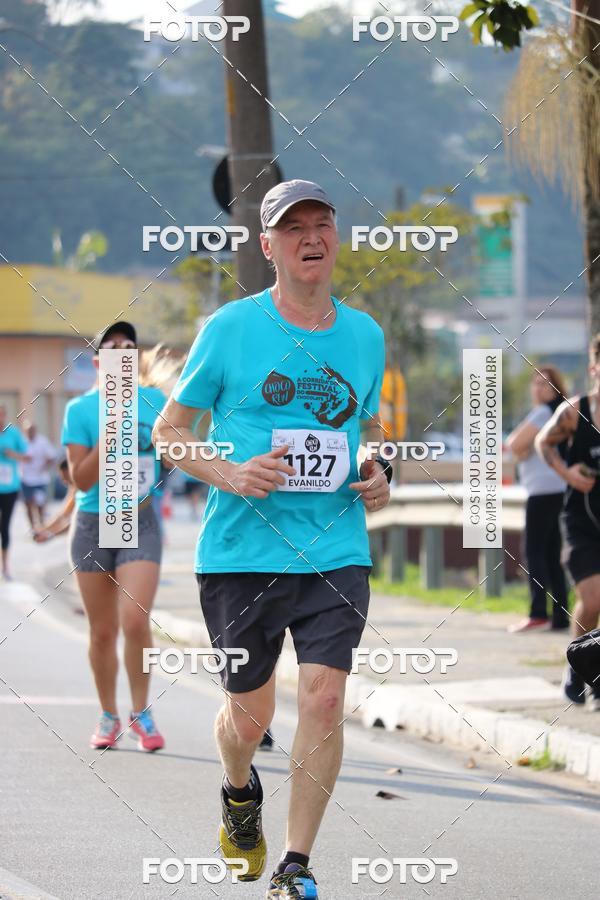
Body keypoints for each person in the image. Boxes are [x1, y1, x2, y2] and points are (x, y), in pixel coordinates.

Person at [154, 180, 391, 899]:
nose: (310, 236)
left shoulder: (365, 335)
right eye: (293, 228)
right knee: (250, 716)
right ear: (268, 247)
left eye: (322, 224)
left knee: (322, 699)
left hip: (334, 549)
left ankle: (296, 865)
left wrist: (380, 466)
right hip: (239, 555)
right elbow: (169, 434)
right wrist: (228, 472)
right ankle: (237, 788)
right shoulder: (230, 329)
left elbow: (369, 428)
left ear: (336, 239)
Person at [62, 322, 169, 751]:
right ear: (98, 362)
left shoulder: (157, 402)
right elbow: (81, 480)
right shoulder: (80, 411)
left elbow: (175, 459)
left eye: (130, 346)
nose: (122, 351)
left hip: (139, 519)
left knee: (135, 621)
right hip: (93, 523)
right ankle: (108, 715)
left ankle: (142, 712)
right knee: (103, 631)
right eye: (112, 347)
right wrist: (111, 433)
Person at [537, 335, 600, 708]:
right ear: (594, 368)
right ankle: (579, 667)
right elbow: (544, 443)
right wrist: (568, 474)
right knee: (592, 598)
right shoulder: (578, 410)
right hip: (581, 520)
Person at [507, 365, 570, 632]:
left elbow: (513, 445)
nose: (539, 388)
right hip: (558, 490)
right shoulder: (560, 412)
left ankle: (537, 612)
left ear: (556, 388)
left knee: (533, 552)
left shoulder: (543, 412)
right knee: (552, 554)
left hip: (543, 492)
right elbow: (519, 447)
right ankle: (560, 616)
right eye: (536, 383)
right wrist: (522, 449)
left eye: (546, 384)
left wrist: (522, 451)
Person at [0, 405, 29, 581]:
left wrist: (12, 455)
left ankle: (5, 567)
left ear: (5, 415)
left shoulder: (14, 433)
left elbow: (27, 456)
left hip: (9, 488)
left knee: (4, 527)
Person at [21, 421, 58, 530]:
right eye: (28, 430)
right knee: (28, 504)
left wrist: (44, 467)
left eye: (32, 430)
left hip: (40, 479)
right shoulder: (22, 442)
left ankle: (41, 525)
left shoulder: (43, 442)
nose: (30, 432)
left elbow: (51, 457)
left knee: (40, 504)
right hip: (25, 478)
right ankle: (32, 527)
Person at [33, 459, 76, 543]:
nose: (64, 482)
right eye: (62, 479)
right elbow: (64, 514)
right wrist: (44, 528)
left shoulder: (83, 488)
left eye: (66, 478)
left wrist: (50, 534)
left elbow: (75, 523)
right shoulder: (73, 487)